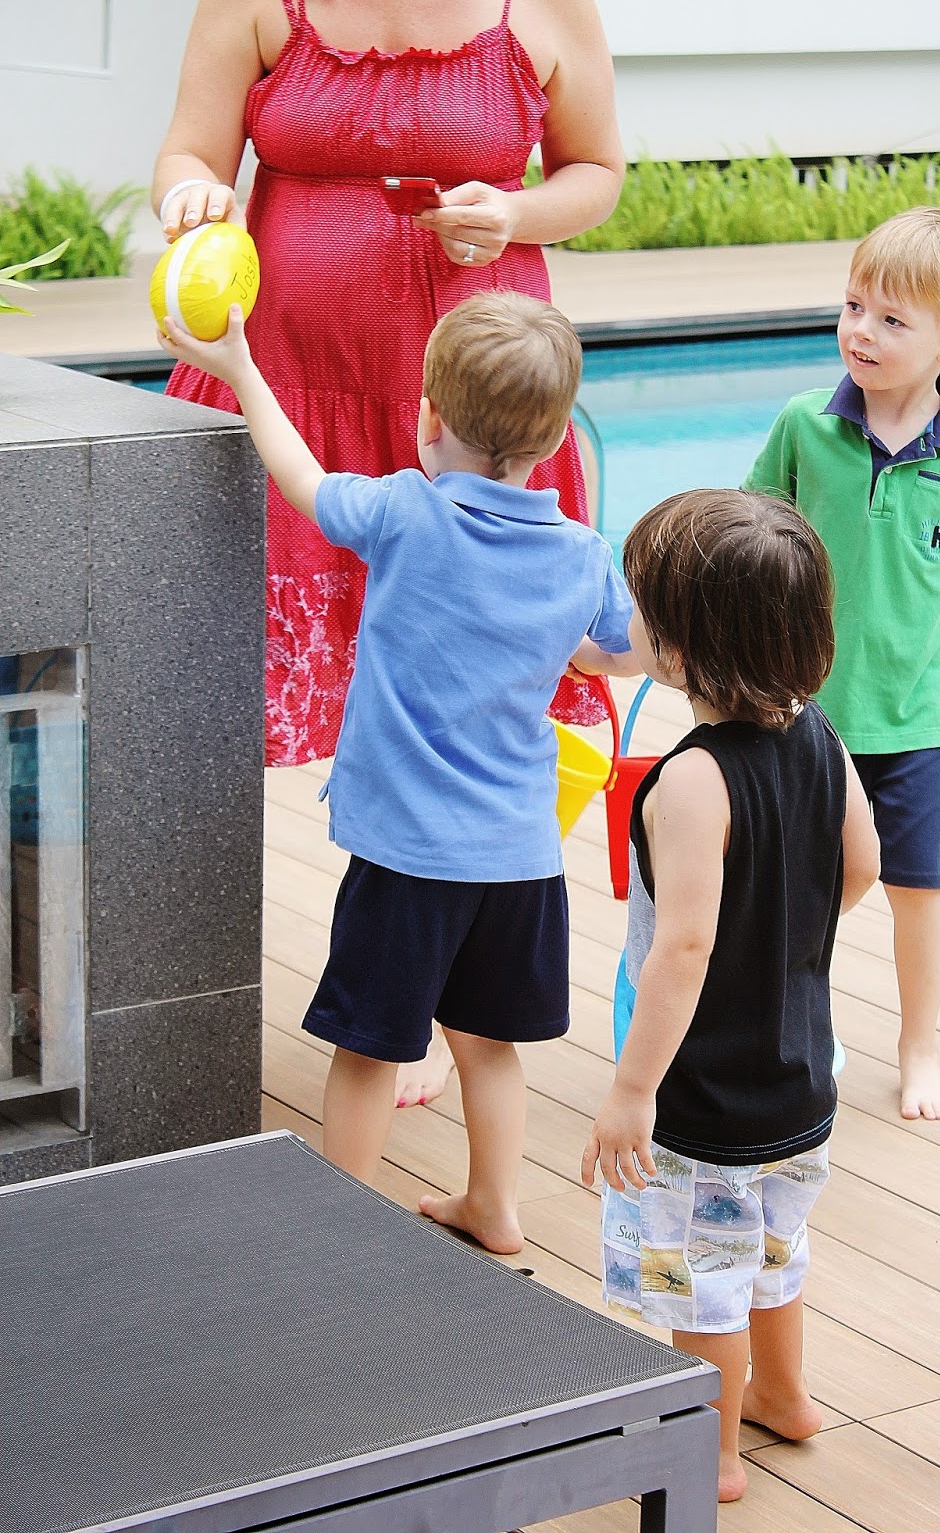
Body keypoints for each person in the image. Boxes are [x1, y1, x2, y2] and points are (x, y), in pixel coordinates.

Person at [153, 0, 624, 1109]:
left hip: (467, 422)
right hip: (281, 394)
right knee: (205, 703)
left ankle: (435, 993)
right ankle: (172, 1003)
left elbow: (597, 174)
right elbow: (188, 151)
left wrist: (513, 213)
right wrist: (192, 196)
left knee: (469, 703)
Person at [161, 290, 636, 1253]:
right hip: (519, 861)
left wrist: (242, 368)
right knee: (487, 1047)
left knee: (368, 1048)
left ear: (427, 418)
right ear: (554, 443)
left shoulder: (404, 514)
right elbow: (622, 654)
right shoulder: (579, 555)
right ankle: (495, 1207)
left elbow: (300, 476)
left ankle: (339, 1231)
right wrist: (574, 647)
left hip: (409, 859)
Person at [581, 489, 880, 1505]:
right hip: (801, 1076)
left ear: (678, 651)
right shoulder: (821, 735)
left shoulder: (691, 780)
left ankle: (707, 1454)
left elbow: (683, 944)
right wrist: (784, 939)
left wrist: (631, 1091)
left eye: (641, 606)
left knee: (701, 1274)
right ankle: (783, 1397)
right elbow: (862, 866)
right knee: (770, 1250)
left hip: (704, 1096)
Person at [744, 206, 940, 1122]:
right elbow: (753, 531)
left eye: (892, 319)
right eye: (854, 306)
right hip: (806, 706)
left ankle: (918, 1047)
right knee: (802, 882)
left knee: (919, 887)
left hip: (919, 712)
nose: (860, 330)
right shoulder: (804, 426)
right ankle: (800, 1026)